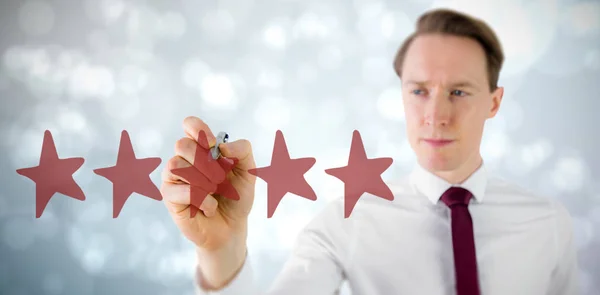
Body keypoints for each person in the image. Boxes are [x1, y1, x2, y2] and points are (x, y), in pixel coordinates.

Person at [160, 8, 580, 295]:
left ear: (494, 101)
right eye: (419, 91)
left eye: (458, 91)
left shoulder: (548, 225)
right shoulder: (349, 221)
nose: (436, 114)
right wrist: (221, 251)